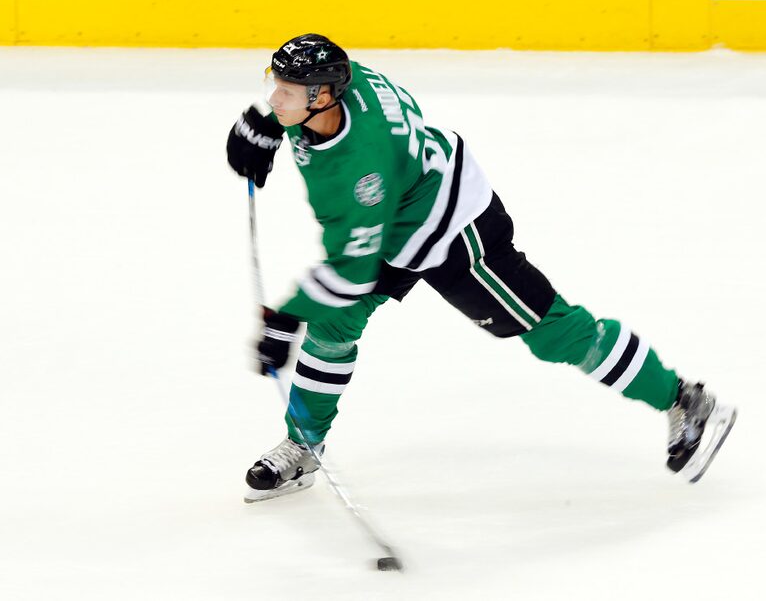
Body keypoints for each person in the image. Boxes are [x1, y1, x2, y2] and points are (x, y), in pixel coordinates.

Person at [226, 34, 737, 502]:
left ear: (322, 97)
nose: (275, 98)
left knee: (552, 332)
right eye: (276, 86)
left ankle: (684, 400)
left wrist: (284, 317)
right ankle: (303, 447)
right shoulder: (340, 82)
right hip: (396, 214)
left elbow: (352, 268)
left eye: (287, 93)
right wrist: (269, 126)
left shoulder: (361, 168)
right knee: (332, 325)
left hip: (451, 228)